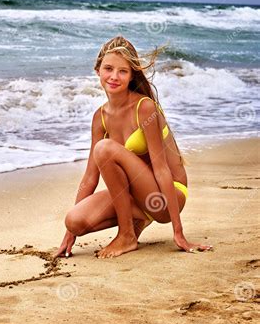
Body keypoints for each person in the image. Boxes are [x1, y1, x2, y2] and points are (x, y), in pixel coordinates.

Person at [55, 36, 213, 259]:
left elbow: (161, 169)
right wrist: (68, 236)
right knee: (75, 221)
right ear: (97, 70)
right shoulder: (99, 118)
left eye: (123, 71)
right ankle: (137, 221)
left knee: (104, 149)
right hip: (137, 198)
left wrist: (179, 233)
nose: (114, 76)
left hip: (168, 198)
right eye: (108, 68)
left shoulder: (145, 107)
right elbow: (90, 177)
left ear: (131, 76)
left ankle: (127, 235)